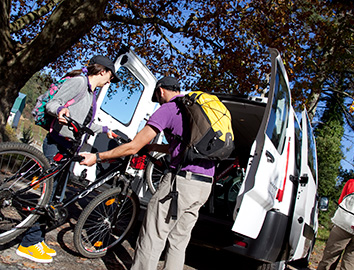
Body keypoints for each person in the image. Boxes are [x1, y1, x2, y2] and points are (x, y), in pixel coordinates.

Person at [80, 76, 215, 270]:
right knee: (179, 240)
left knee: (153, 234)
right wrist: (153, 146)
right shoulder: (196, 109)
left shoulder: (169, 109)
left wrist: (97, 157)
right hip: (204, 184)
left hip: (181, 182)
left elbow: (133, 146)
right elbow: (181, 148)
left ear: (160, 91)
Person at [16, 55, 120, 263]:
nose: (109, 81)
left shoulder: (89, 94)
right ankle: (27, 243)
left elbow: (83, 123)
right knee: (47, 195)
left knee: (54, 197)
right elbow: (53, 104)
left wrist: (105, 130)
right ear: (102, 72)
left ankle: (37, 238)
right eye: (110, 76)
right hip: (56, 142)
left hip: (67, 146)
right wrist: (59, 110)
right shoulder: (79, 82)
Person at [317, 161, 354, 270]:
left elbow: (342, 202)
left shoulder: (353, 183)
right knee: (350, 266)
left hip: (343, 227)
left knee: (328, 261)